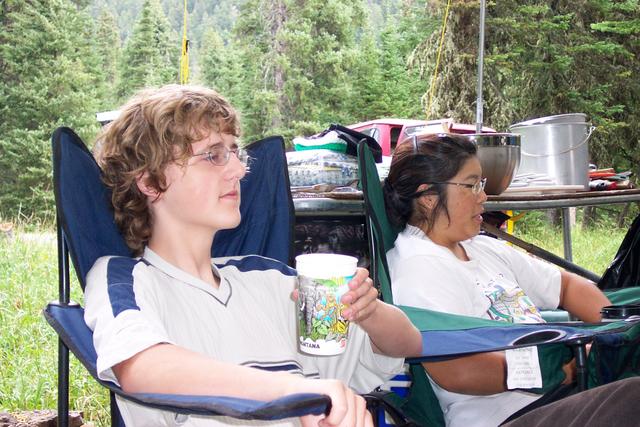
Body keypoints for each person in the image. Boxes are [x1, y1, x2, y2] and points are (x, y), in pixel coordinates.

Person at [84, 84, 423, 427]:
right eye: (213, 155)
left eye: (235, 153)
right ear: (150, 181)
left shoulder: (268, 280)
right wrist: (295, 392)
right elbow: (143, 369)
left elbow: (404, 344)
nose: (239, 171)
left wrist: (370, 312)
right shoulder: (126, 280)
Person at [383, 133, 612, 427]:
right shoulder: (416, 268)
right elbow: (456, 371)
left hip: (560, 394)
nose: (483, 195)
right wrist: (556, 370)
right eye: (472, 185)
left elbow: (567, 285)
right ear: (429, 197)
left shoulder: (481, 246)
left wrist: (612, 337)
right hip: (510, 415)